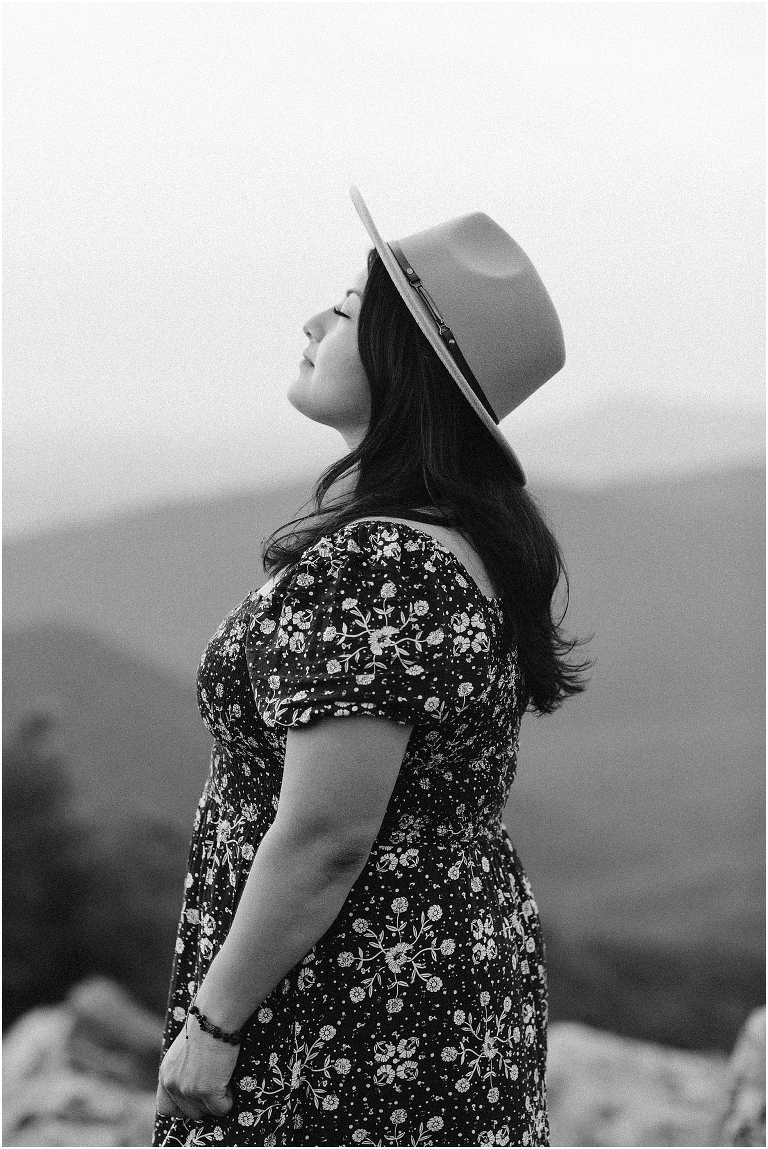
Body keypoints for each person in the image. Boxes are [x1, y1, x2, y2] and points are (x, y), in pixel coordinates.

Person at [153, 187, 589, 1148]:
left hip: (346, 1005)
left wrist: (216, 1022)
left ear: (408, 367)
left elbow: (326, 833)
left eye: (347, 310)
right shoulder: (463, 539)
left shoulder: (379, 566)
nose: (314, 321)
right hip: (435, 984)